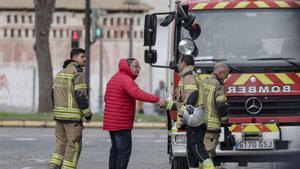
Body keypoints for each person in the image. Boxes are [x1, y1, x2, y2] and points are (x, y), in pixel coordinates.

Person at [103, 58, 165, 169]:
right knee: (123, 152)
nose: (138, 69)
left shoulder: (115, 78)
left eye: (139, 67)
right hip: (121, 123)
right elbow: (137, 93)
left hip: (112, 123)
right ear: (128, 66)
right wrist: (156, 99)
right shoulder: (126, 79)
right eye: (135, 66)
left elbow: (106, 98)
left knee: (115, 150)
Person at [164, 55, 215, 169]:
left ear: (184, 63)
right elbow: (183, 101)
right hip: (194, 119)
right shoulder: (191, 75)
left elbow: (193, 94)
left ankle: (210, 167)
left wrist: (185, 113)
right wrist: (167, 105)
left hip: (194, 120)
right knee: (191, 151)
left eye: (179, 62)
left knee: (196, 147)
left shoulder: (188, 76)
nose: (178, 65)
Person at [48, 48, 92, 169]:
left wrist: (56, 111)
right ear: (74, 58)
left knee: (60, 144)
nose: (85, 59)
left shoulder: (60, 73)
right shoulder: (78, 73)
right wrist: (87, 114)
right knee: (73, 146)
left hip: (59, 117)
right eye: (82, 56)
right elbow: (80, 95)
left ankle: (52, 167)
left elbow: (52, 94)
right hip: (72, 119)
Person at [199, 63, 229, 162]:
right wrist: (225, 121)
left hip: (200, 124)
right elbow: (221, 105)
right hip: (212, 127)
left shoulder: (203, 82)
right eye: (226, 75)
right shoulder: (218, 85)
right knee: (208, 156)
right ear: (221, 73)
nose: (226, 78)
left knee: (201, 153)